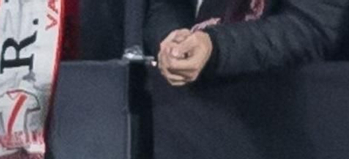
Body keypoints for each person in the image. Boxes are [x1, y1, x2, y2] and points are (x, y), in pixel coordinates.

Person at [146, 0, 349, 85]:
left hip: (289, 120)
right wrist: (173, 41)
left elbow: (308, 28)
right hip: (186, 123)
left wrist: (214, 47)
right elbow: (168, 5)